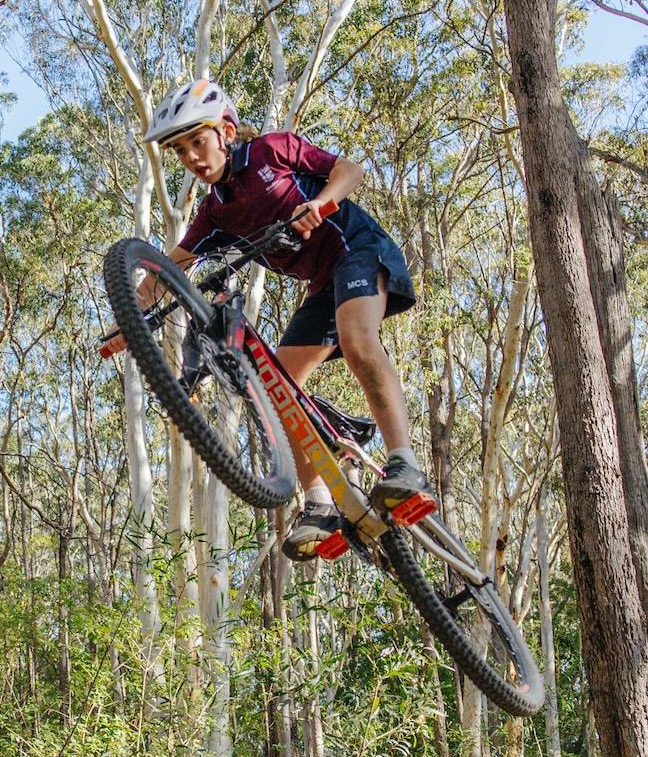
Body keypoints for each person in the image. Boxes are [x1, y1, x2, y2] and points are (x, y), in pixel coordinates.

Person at [137, 78, 431, 560]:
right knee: (279, 388)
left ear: (226, 131)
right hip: (322, 287)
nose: (191, 157)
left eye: (198, 140)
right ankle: (318, 503)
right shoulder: (215, 212)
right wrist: (130, 315)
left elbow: (349, 170)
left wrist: (319, 202)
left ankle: (405, 464)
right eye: (180, 150)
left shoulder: (270, 151)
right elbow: (170, 266)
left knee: (358, 339)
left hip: (357, 249)